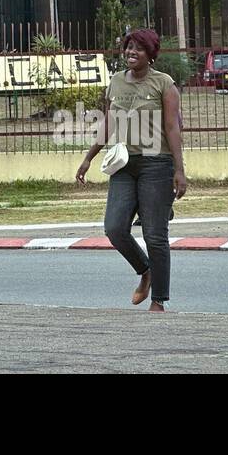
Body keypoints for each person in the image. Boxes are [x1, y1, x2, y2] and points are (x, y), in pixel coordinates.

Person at [76, 29, 188, 312]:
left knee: (154, 234)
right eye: (128, 48)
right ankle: (145, 270)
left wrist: (179, 169)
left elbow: (173, 128)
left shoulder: (164, 84)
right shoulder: (115, 82)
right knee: (114, 228)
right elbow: (109, 122)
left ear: (150, 54)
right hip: (124, 164)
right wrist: (89, 157)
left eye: (138, 48)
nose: (131, 52)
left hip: (157, 164)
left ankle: (159, 300)